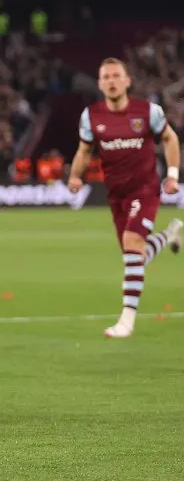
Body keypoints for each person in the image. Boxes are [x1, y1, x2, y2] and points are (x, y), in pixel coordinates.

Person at [68, 58, 181, 338]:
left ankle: (127, 320)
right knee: (135, 256)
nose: (111, 81)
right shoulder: (91, 116)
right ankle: (169, 235)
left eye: (116, 75)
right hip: (116, 194)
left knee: (132, 244)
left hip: (144, 189)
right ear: (100, 83)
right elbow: (84, 150)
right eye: (106, 77)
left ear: (127, 81)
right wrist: (74, 176)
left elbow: (170, 138)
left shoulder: (147, 112)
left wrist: (173, 175)